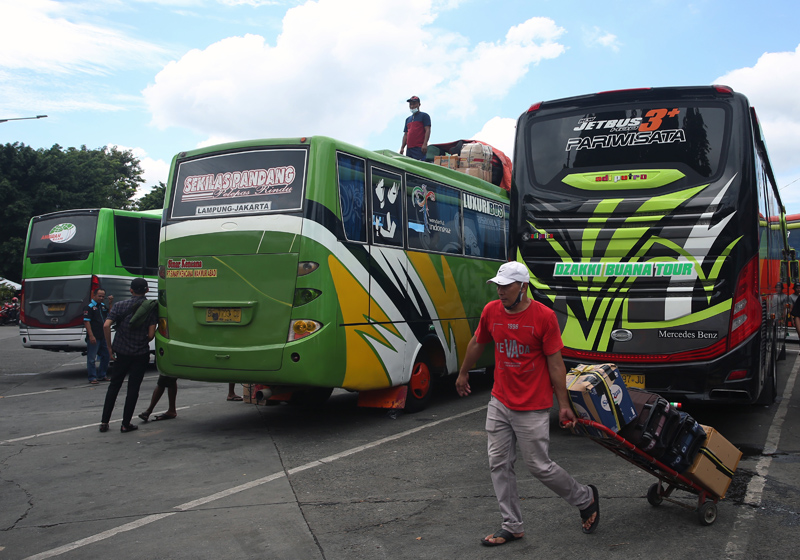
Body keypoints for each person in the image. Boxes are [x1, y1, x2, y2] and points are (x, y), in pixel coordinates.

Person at [455, 261, 599, 546]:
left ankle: (585, 497)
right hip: (500, 399)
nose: (500, 291)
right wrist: (462, 373)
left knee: (539, 466)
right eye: (498, 285)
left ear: (523, 287)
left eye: (506, 286)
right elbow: (477, 341)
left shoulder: (543, 317)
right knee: (498, 463)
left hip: (532, 404)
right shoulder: (491, 311)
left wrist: (564, 404)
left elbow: (556, 364)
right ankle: (512, 525)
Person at [99, 278, 157, 433]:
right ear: (146, 290)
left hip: (121, 352)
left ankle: (104, 422)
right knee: (133, 389)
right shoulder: (150, 308)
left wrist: (110, 348)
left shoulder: (119, 305)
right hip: (140, 354)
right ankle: (125, 424)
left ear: (131, 290)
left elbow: (106, 325)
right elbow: (151, 335)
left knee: (114, 386)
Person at [84, 288, 112, 384]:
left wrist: (110, 303)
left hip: (103, 336)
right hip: (94, 336)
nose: (101, 298)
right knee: (91, 358)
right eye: (99, 296)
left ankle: (102, 375)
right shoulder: (89, 307)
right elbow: (87, 322)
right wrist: (91, 336)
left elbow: (110, 315)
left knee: (106, 355)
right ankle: (92, 377)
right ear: (94, 295)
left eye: (103, 296)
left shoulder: (103, 306)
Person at [400, 95, 431, 161]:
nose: (412, 106)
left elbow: (427, 130)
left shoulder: (424, 116)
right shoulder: (408, 119)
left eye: (414, 104)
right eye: (410, 104)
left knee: (419, 165)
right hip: (409, 149)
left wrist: (425, 144)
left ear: (419, 104)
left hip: (419, 147)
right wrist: (402, 147)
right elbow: (406, 134)